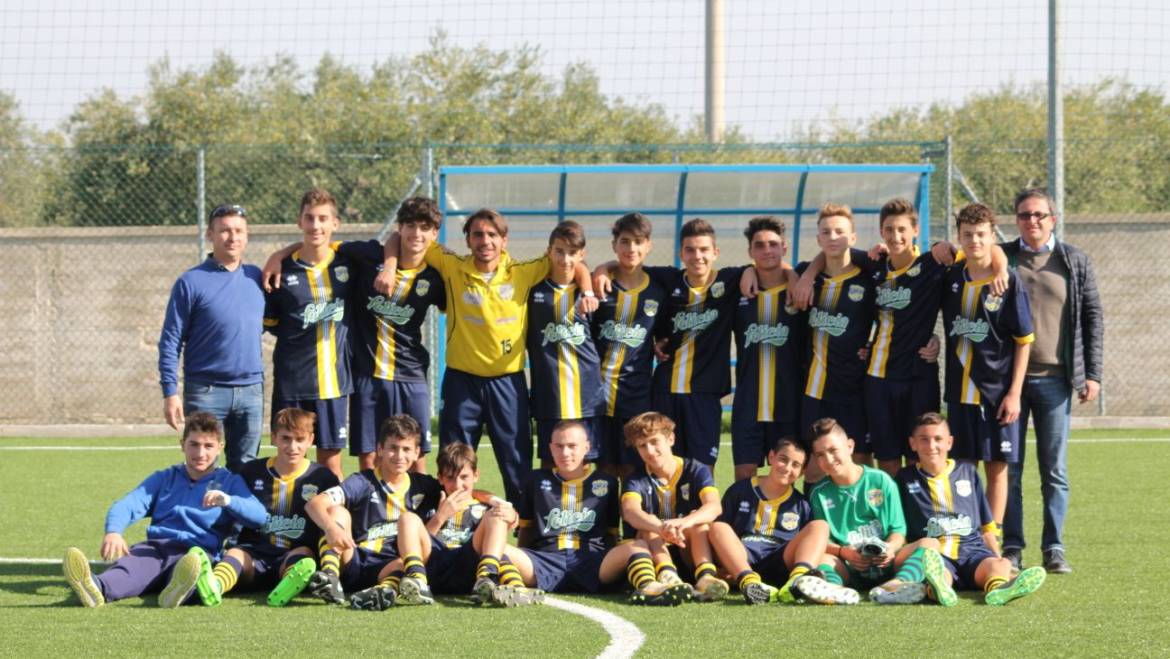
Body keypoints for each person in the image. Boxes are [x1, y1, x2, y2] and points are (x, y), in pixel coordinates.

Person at [378, 209, 597, 503]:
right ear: (467, 240)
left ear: (504, 240)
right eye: (478, 234)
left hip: (507, 384)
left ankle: (525, 535)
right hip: (461, 383)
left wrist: (588, 289)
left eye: (492, 235)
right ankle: (455, 532)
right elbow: (397, 237)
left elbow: (574, 263)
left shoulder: (524, 271)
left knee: (517, 465)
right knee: (454, 463)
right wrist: (389, 267)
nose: (485, 241)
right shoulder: (452, 265)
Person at [263, 197, 446, 474]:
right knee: (369, 459)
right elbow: (317, 243)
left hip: (410, 375)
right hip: (366, 376)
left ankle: (417, 515)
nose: (416, 234)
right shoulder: (365, 257)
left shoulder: (437, 275)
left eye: (425, 227)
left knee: (415, 457)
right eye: (410, 225)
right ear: (400, 228)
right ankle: (365, 515)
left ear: (434, 233)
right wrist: (278, 256)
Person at [62, 412, 266, 608]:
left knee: (193, 572)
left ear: (219, 448)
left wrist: (229, 501)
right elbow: (130, 503)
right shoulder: (165, 477)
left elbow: (260, 517)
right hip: (157, 548)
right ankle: (95, 587)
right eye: (193, 444)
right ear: (182, 445)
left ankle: (180, 590)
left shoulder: (229, 482)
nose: (200, 453)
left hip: (197, 552)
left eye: (208, 446)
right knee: (129, 569)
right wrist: (114, 531)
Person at [476, 421, 693, 605]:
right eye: (559, 446)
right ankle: (514, 589)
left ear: (586, 447)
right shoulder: (535, 479)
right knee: (499, 548)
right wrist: (522, 559)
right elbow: (527, 530)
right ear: (550, 448)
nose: (565, 453)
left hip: (593, 562)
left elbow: (611, 534)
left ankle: (649, 587)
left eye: (572, 446)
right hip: (544, 561)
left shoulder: (606, 482)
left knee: (638, 545)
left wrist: (620, 561)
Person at [1001, 188, 1103, 574]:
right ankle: (1012, 546)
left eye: (1040, 215)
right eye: (1025, 215)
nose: (1033, 221)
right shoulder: (1002, 257)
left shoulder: (1074, 260)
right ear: (1016, 219)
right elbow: (960, 257)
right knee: (1009, 468)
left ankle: (1054, 547)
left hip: (1056, 382)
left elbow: (1093, 317)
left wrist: (1092, 374)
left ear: (1053, 218)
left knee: (1054, 470)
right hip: (1008, 384)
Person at [940, 203, 1033, 532]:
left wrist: (1015, 394)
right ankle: (965, 537)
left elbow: (1024, 340)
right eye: (968, 235)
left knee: (997, 468)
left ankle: (991, 539)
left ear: (992, 236)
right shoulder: (951, 276)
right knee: (963, 468)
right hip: (960, 393)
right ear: (959, 236)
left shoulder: (1007, 282)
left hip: (997, 395)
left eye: (981, 235)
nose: (974, 241)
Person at [188, 408, 340, 607]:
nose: (292, 446)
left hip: (291, 554)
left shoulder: (322, 477)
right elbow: (239, 509)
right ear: (274, 438)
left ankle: (287, 586)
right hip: (254, 553)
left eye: (299, 439)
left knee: (304, 557)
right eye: (285, 438)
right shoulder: (252, 471)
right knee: (235, 555)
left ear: (310, 440)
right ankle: (214, 585)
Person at [897, 412, 1047, 606]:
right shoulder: (904, 478)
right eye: (924, 440)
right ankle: (939, 589)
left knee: (998, 565)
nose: (932, 446)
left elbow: (986, 527)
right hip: (937, 554)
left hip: (973, 552)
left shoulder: (968, 472)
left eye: (938, 439)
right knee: (935, 571)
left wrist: (997, 556)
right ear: (913, 444)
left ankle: (999, 589)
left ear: (949, 443)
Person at [158, 203, 265, 471]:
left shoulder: (257, 278)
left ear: (247, 234)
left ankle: (235, 515)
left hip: (251, 391)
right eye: (224, 231)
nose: (232, 237)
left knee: (246, 469)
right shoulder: (190, 282)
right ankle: (198, 515)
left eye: (238, 231)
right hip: (206, 391)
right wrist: (170, 392)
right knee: (202, 467)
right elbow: (171, 340)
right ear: (210, 234)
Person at [264, 189, 359, 479]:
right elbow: (272, 324)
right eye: (309, 218)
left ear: (335, 223)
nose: (315, 225)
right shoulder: (281, 271)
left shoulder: (350, 266)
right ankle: (288, 521)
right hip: (291, 384)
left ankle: (333, 524)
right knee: (289, 461)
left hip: (333, 384)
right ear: (299, 222)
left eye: (323, 219)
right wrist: (278, 255)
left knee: (331, 465)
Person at [303, 414, 443, 610]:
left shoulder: (426, 485)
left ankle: (383, 591)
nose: (400, 456)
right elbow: (314, 504)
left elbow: (464, 490)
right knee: (336, 512)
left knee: (408, 559)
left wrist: (493, 501)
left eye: (406, 449)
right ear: (380, 449)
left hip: (390, 565)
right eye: (393, 448)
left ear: (416, 452)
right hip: (354, 558)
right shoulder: (362, 481)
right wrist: (330, 527)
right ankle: (330, 577)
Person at [805, 418, 952, 603]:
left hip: (888, 563)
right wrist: (844, 552)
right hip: (848, 567)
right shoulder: (819, 492)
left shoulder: (881, 480)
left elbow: (898, 531)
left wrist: (889, 549)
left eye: (833, 450)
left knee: (930, 544)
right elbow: (822, 541)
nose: (828, 459)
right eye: (820, 455)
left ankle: (896, 586)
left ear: (850, 446)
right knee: (822, 558)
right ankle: (835, 590)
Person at [708, 434, 859, 605]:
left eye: (796, 465)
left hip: (782, 560)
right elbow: (721, 536)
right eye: (783, 459)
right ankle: (749, 584)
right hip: (744, 557)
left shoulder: (801, 503)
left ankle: (798, 581)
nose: (787, 468)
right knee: (718, 526)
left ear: (802, 473)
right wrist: (723, 564)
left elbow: (809, 543)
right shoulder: (739, 490)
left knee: (819, 526)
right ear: (771, 457)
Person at [796, 205, 876, 477]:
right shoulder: (807, 275)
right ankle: (816, 520)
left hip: (854, 386)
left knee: (860, 458)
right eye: (826, 232)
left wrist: (873, 347)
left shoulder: (869, 278)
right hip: (814, 389)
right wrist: (806, 275)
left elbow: (894, 318)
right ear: (818, 239)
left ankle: (866, 517)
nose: (833, 237)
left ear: (853, 238)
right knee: (815, 461)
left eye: (840, 232)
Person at [591, 212, 668, 475]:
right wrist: (603, 268)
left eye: (638, 241)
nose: (631, 248)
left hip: (635, 398)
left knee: (633, 471)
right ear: (614, 245)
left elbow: (664, 334)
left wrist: (661, 343)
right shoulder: (597, 287)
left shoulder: (658, 291)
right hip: (595, 397)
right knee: (598, 473)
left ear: (649, 245)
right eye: (624, 241)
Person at [619, 412, 725, 601]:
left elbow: (714, 506)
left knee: (699, 522)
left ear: (671, 438)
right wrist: (660, 527)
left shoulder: (695, 469)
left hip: (687, 548)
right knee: (648, 526)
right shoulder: (635, 478)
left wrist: (684, 522)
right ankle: (668, 576)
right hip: (652, 554)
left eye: (654, 442)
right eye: (642, 446)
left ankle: (705, 577)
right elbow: (630, 511)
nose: (650, 451)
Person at [731, 216, 805, 481]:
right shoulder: (737, 288)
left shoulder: (801, 289)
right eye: (759, 245)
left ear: (784, 247)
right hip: (749, 401)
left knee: (789, 475)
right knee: (744, 475)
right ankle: (744, 523)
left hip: (789, 402)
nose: (767, 251)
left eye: (773, 244)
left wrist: (792, 273)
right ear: (751, 251)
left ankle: (788, 523)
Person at [527, 221, 606, 467]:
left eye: (572, 253)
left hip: (587, 396)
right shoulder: (532, 290)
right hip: (549, 395)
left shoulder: (593, 294)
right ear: (549, 251)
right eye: (559, 251)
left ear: (582, 255)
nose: (565, 259)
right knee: (551, 464)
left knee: (584, 465)